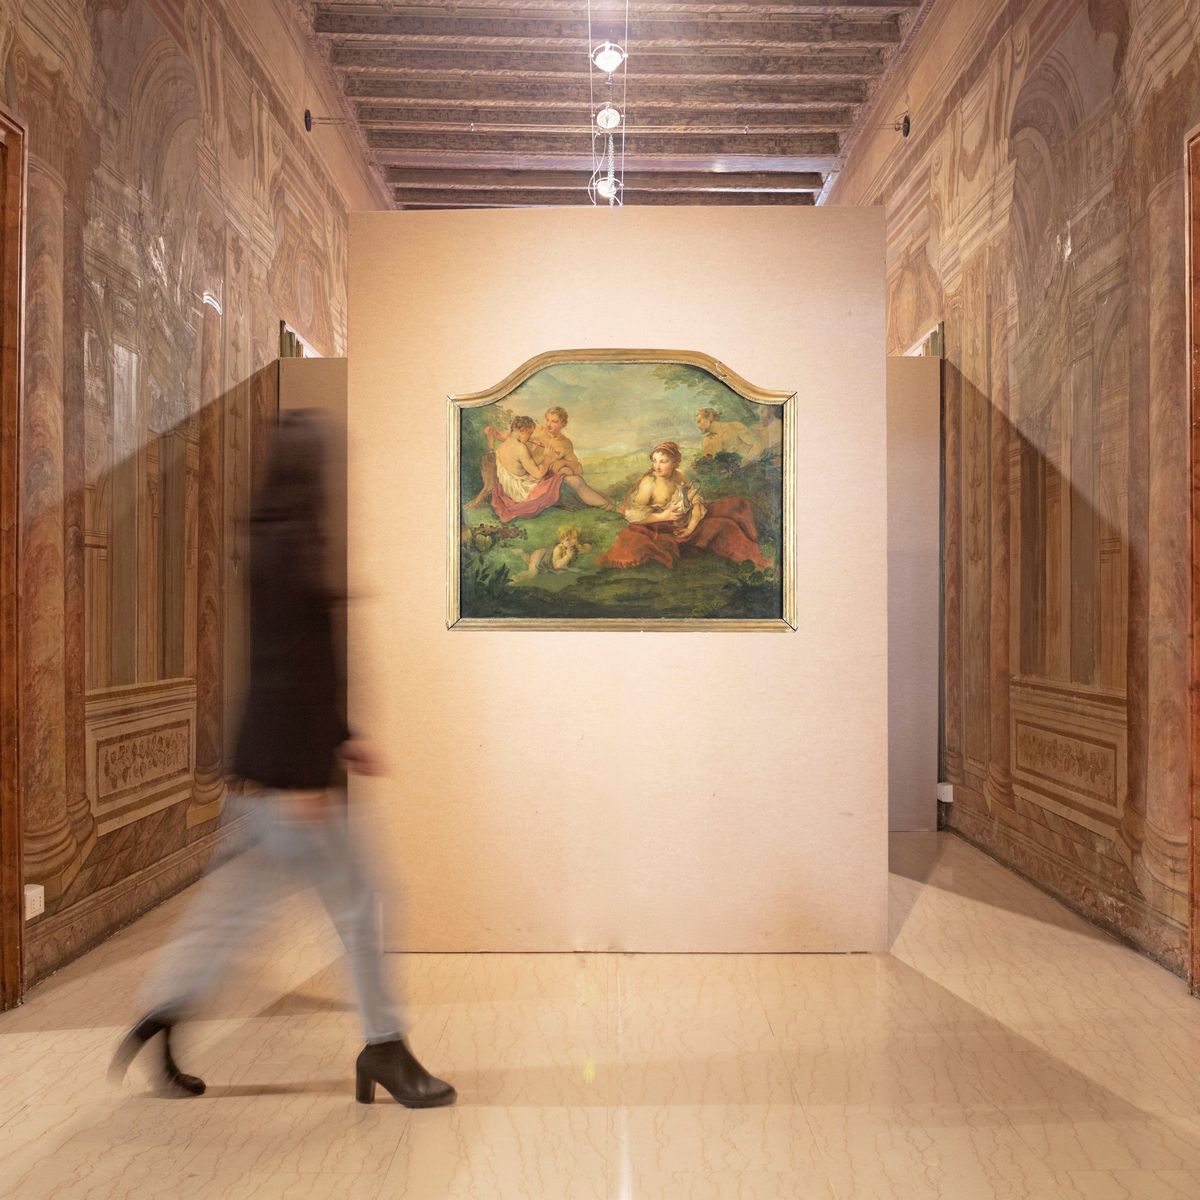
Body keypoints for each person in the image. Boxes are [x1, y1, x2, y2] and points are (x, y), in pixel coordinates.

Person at [109, 410, 455, 1109]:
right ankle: (385, 1047)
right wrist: (307, 778)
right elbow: (291, 669)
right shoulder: (295, 549)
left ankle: (161, 1014)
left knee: (234, 916)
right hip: (290, 779)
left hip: (264, 769)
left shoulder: (273, 541)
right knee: (362, 904)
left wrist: (345, 733)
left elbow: (300, 664)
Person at [598, 440, 771, 570]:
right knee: (724, 525)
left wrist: (693, 523)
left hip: (689, 520)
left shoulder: (679, 474)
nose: (657, 466)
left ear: (675, 463)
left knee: (737, 504)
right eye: (655, 461)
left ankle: (754, 544)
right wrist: (663, 516)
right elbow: (632, 514)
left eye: (663, 461)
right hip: (665, 528)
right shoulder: (649, 484)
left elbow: (694, 498)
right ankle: (755, 562)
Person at [478, 411, 619, 521]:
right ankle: (609, 506)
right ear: (523, 431)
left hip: (513, 484)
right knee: (574, 481)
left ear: (563, 424)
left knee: (568, 474)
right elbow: (538, 474)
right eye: (529, 434)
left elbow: (577, 467)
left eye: (554, 421)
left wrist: (562, 463)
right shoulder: (521, 447)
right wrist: (547, 457)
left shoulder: (507, 442)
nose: (548, 425)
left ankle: (604, 503)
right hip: (522, 491)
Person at [695, 407, 760, 461]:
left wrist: (745, 462)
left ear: (710, 417)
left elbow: (757, 445)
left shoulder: (734, 426)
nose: (698, 426)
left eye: (699, 421)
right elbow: (707, 462)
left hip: (752, 463)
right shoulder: (707, 440)